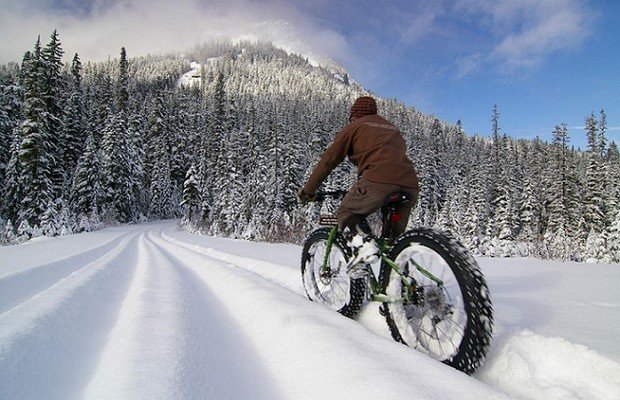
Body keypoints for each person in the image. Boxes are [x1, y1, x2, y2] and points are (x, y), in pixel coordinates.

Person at [298, 96, 420, 244]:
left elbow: (328, 161)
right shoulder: (392, 128)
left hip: (379, 182)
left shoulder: (354, 126)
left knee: (346, 213)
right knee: (394, 244)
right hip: (410, 185)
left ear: (354, 115)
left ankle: (365, 251)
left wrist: (307, 192)